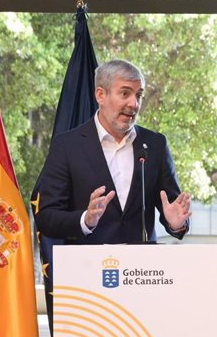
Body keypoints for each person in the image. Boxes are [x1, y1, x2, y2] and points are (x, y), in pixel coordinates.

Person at [35, 59, 191, 244]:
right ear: (101, 95)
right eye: (125, 93)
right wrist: (86, 219)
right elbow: (46, 218)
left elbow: (172, 206)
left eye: (138, 95)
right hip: (88, 268)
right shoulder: (67, 146)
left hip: (143, 269)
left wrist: (176, 224)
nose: (134, 104)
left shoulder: (154, 145)